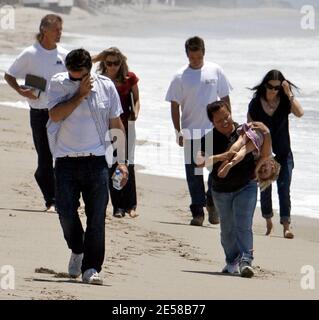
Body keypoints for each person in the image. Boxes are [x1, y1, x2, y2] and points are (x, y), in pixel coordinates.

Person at [47, 49, 129, 285]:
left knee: (97, 218)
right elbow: (54, 115)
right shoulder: (59, 84)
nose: (73, 78)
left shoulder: (106, 87)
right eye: (70, 74)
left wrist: (121, 161)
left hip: (96, 161)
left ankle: (91, 268)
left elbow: (116, 124)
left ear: (88, 71)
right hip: (65, 161)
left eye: (78, 76)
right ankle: (77, 248)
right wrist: (79, 94)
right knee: (65, 213)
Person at [199, 100, 272, 278]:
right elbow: (199, 161)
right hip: (220, 190)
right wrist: (221, 156)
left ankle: (246, 261)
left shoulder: (243, 131)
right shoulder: (208, 138)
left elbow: (266, 152)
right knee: (227, 230)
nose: (225, 122)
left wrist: (267, 133)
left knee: (243, 224)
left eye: (227, 116)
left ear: (230, 112)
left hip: (246, 185)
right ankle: (232, 260)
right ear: (212, 122)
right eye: (219, 120)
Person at [165, 36, 232, 226]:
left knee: (216, 170)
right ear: (187, 55)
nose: (195, 60)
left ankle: (211, 202)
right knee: (193, 174)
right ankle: (197, 212)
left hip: (214, 130)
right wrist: (178, 130)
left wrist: (229, 126)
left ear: (204, 52)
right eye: (192, 57)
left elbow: (225, 97)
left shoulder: (215, 70)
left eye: (198, 57)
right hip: (190, 132)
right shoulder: (180, 76)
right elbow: (174, 105)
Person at [4, 14, 68, 212]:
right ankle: (52, 200)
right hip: (40, 113)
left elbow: (76, 75)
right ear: (44, 30)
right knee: (45, 158)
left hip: (61, 113)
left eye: (61, 29)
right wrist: (20, 90)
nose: (60, 33)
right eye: (56, 29)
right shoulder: (30, 53)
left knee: (63, 156)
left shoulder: (64, 54)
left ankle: (62, 197)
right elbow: (9, 75)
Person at [248, 70, 304, 239]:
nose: (273, 91)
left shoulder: (285, 101)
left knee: (284, 188)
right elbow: (250, 127)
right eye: (270, 87)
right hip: (264, 153)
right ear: (265, 85)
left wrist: (288, 93)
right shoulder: (256, 103)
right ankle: (269, 224)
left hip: (283, 152)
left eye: (277, 88)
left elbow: (300, 113)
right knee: (265, 188)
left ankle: (286, 225)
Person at [93, 47, 140, 218]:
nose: (113, 66)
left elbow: (137, 99)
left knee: (129, 164)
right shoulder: (100, 80)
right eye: (109, 63)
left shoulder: (130, 78)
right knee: (113, 165)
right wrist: (98, 57)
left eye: (116, 63)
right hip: (107, 128)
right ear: (104, 63)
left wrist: (136, 113)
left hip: (127, 125)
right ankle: (118, 206)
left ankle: (131, 205)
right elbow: (81, 65)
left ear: (122, 63)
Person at [216, 123, 281, 191]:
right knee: (244, 150)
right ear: (272, 167)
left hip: (249, 130)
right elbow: (264, 155)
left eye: (260, 171)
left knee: (239, 143)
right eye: (265, 170)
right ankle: (230, 164)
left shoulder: (258, 160)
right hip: (258, 138)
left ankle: (225, 162)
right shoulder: (268, 155)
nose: (262, 168)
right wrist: (256, 171)